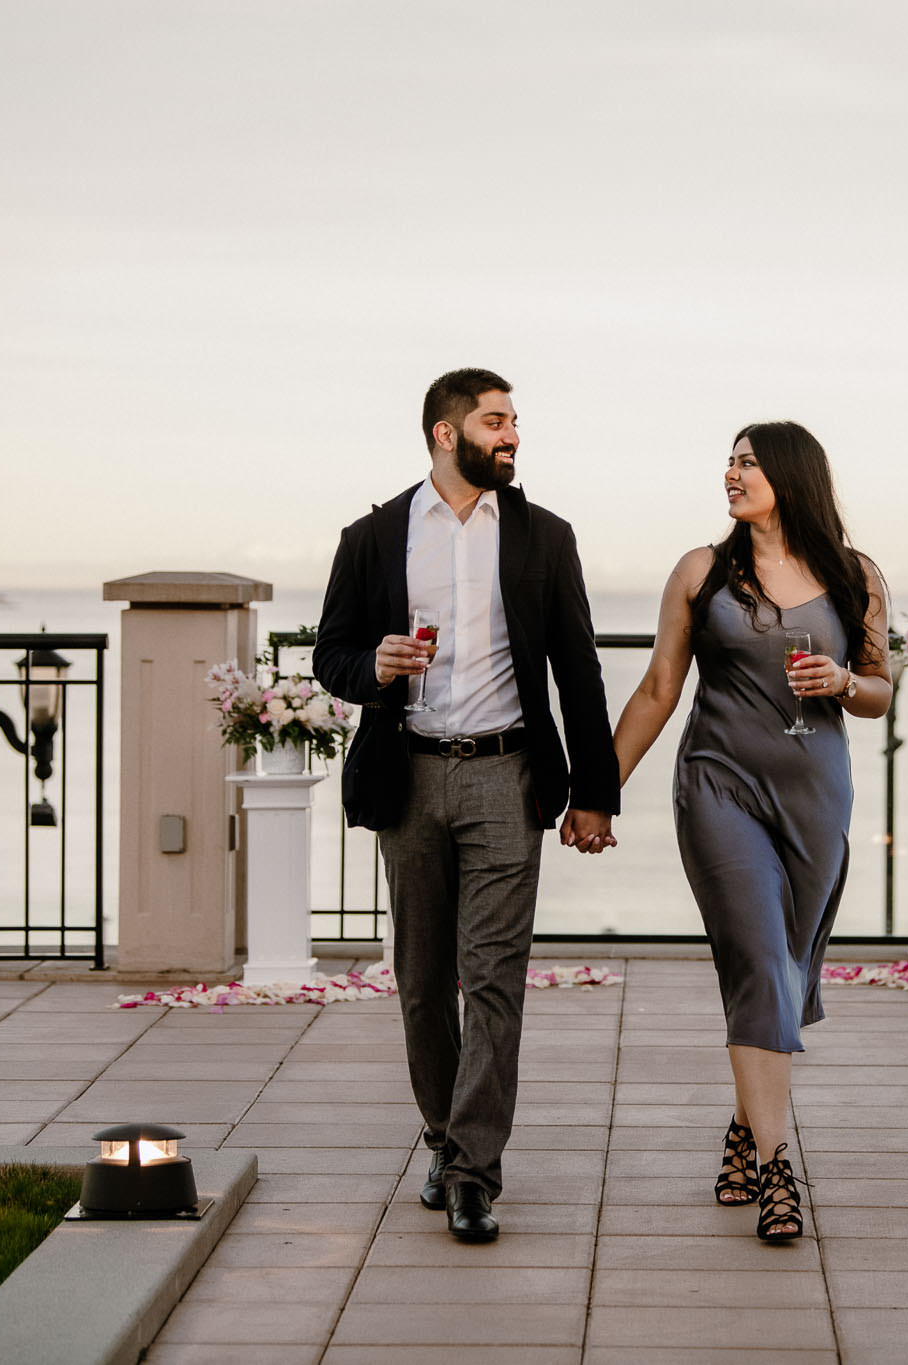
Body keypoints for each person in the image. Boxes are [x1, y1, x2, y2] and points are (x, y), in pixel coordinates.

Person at [313, 368, 619, 1243]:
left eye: (515, 421)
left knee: (493, 978)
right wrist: (374, 666)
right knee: (420, 982)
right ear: (447, 434)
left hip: (506, 774)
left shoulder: (544, 537)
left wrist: (595, 792)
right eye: (496, 421)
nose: (512, 435)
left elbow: (580, 671)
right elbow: (330, 655)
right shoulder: (373, 537)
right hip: (406, 775)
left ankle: (474, 1172)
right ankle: (446, 1139)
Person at [611, 420, 891, 1241]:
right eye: (728, 461)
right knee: (762, 960)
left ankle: (742, 1129)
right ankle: (778, 1169)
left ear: (793, 475)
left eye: (748, 461)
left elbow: (879, 691)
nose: (731, 473)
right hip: (719, 789)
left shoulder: (855, 575)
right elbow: (661, 686)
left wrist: (841, 680)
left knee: (785, 975)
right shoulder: (703, 571)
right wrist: (598, 792)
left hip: (816, 798)